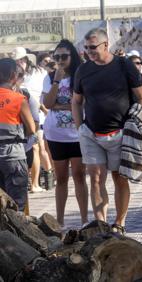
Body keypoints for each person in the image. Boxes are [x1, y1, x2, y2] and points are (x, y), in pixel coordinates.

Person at [72, 28, 142, 234]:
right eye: (86, 48)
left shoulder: (124, 66)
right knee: (95, 177)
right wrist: (80, 128)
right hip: (91, 133)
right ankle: (102, 225)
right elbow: (76, 101)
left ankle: (120, 223)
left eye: (93, 47)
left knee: (119, 178)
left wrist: (136, 122)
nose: (89, 52)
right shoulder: (83, 70)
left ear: (106, 44)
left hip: (120, 133)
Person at [42, 39, 89, 228]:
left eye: (64, 56)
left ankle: (85, 219)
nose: (60, 60)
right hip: (56, 135)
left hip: (77, 134)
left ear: (73, 56)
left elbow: (84, 102)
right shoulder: (51, 76)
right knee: (61, 178)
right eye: (57, 56)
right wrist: (56, 80)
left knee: (79, 175)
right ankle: (59, 221)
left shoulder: (81, 75)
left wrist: (61, 105)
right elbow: (47, 103)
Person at [13, 47, 54, 192]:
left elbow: (44, 93)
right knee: (38, 148)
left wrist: (43, 107)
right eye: (17, 60)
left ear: (26, 59)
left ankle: (38, 182)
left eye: (21, 59)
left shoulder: (38, 73)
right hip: (23, 115)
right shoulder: (16, 76)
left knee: (38, 147)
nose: (19, 62)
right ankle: (40, 180)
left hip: (38, 113)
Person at [0, 58, 35, 210]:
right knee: (17, 203)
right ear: (14, 76)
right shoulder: (19, 99)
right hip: (13, 154)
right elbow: (32, 129)